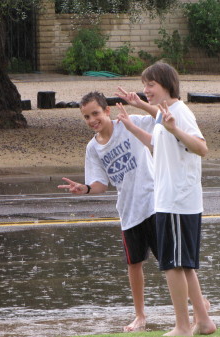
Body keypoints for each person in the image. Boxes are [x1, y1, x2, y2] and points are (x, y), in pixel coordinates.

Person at [116, 62, 217, 336]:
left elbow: (201, 148)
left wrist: (174, 130)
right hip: (171, 201)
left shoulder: (179, 114)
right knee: (183, 264)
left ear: (166, 85)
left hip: (177, 201)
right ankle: (204, 321)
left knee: (173, 265)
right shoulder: (167, 115)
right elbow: (156, 145)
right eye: (144, 84)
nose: (146, 89)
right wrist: (130, 123)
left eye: (151, 85)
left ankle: (182, 327)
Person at [57, 91, 158, 332]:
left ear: (107, 111)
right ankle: (140, 316)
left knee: (170, 261)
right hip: (128, 210)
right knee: (134, 264)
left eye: (95, 113)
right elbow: (101, 183)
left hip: (154, 203)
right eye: (86, 116)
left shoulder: (127, 122)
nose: (92, 120)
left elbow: (161, 121)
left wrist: (141, 104)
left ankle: (196, 303)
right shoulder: (93, 148)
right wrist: (86, 188)